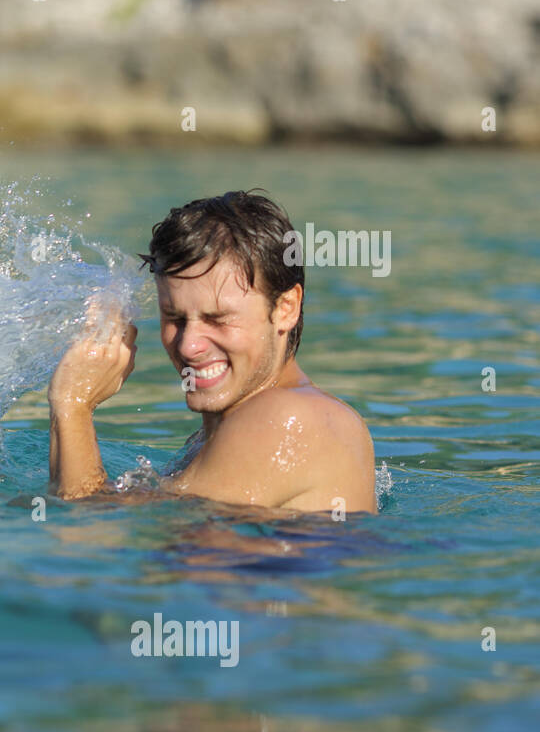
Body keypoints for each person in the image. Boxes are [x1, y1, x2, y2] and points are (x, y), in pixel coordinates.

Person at [47, 190, 376, 513]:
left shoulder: (288, 419)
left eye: (218, 319)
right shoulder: (222, 431)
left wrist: (73, 405)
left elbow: (87, 535)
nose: (189, 345)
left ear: (286, 308)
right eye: (174, 318)